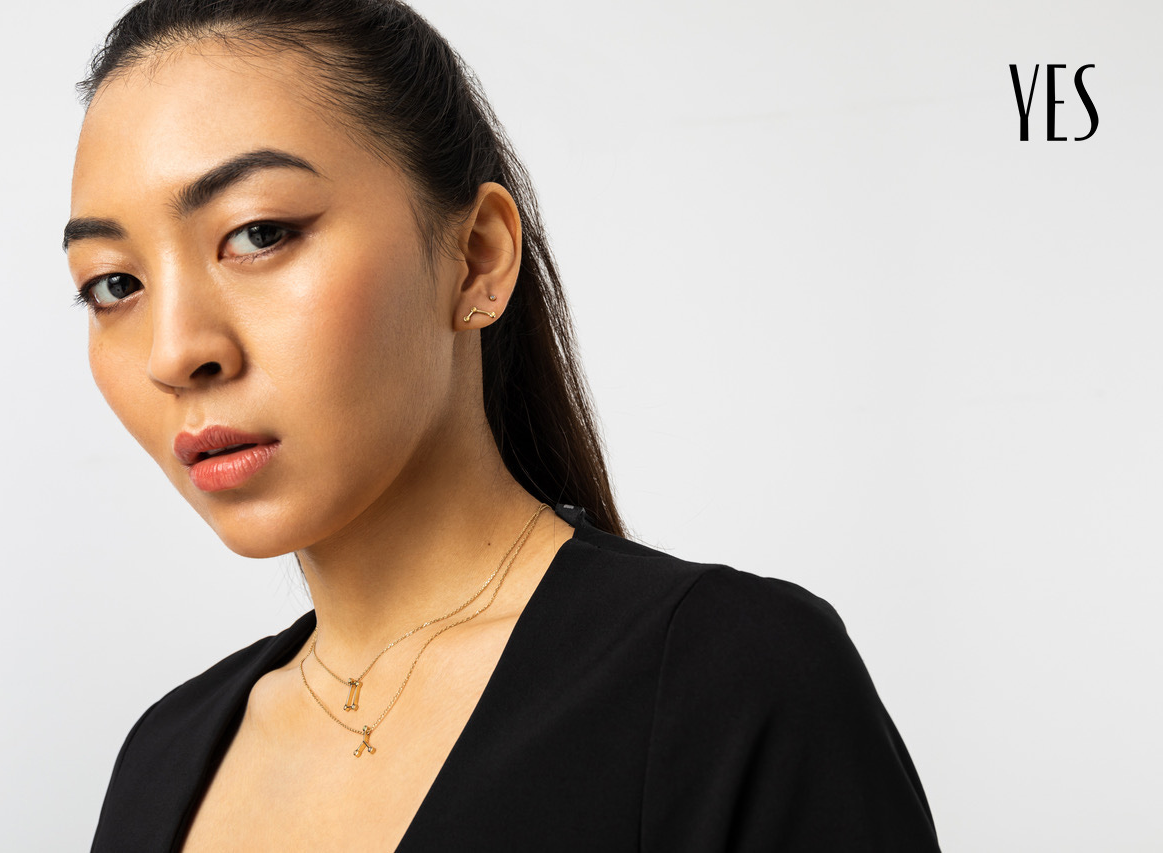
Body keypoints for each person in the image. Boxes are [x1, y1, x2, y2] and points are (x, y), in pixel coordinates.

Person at [67, 1, 941, 850]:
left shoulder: (733, 683)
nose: (175, 352)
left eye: (259, 232)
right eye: (114, 283)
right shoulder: (160, 762)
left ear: (478, 256)